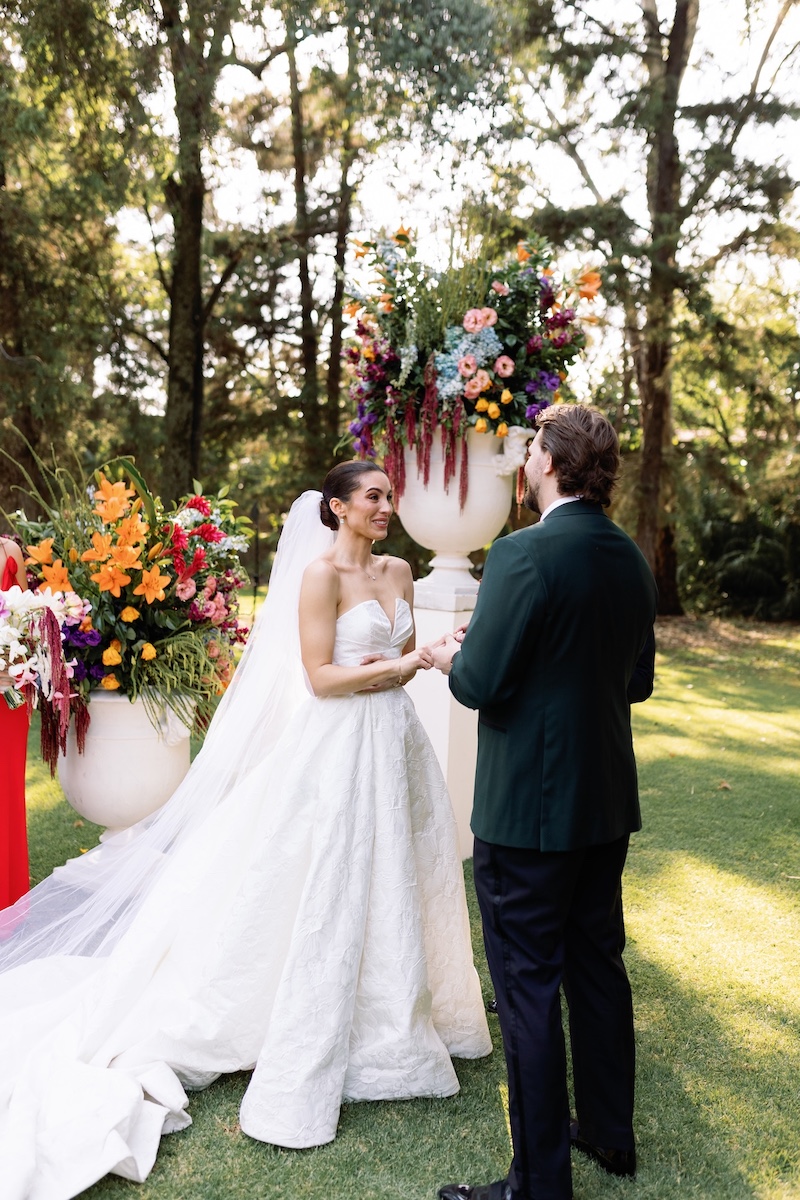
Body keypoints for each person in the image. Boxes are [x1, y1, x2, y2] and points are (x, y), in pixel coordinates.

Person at [0, 463, 491, 1200]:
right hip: (338, 743)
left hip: (396, 742)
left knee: (402, 872)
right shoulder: (320, 577)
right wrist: (406, 662)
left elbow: (399, 664)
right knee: (329, 876)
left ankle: (401, 1017)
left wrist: (427, 659)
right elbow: (322, 678)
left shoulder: (399, 569)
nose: (388, 507)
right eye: (375, 497)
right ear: (339, 509)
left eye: (390, 495)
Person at [430, 405, 657, 1200]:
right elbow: (636, 681)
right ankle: (607, 1132)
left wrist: (458, 654)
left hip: (527, 811)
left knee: (528, 988)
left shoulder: (522, 555)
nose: (521, 460)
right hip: (602, 806)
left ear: (552, 464)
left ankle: (538, 1186)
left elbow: (479, 683)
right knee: (597, 968)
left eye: (528, 449)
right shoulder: (630, 557)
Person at [0, 537, 30, 911]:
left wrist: (15, 665)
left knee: (7, 792)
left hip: (9, 693)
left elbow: (26, 619)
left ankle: (9, 901)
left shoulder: (11, 550)